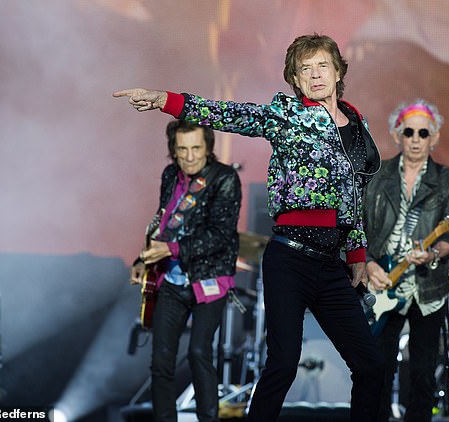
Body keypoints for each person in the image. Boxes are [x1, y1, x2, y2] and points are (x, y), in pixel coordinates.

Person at [115, 33, 384, 422]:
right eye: (304, 69)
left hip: (331, 264)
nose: (315, 75)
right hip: (289, 259)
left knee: (372, 365)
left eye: (322, 65)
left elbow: (355, 196)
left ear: (339, 70)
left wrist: (357, 256)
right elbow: (229, 113)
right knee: (283, 364)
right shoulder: (288, 115)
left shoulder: (357, 125)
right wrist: (165, 100)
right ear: (294, 78)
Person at [129, 120, 242, 422]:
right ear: (173, 152)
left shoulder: (224, 178)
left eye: (196, 149)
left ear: (208, 148)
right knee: (161, 361)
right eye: (182, 150)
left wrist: (173, 250)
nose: (190, 157)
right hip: (171, 278)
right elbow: (163, 222)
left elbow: (220, 234)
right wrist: (144, 261)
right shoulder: (170, 176)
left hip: (210, 278)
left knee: (198, 352)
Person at [363, 99, 449, 422]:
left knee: (421, 376)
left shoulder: (448, 180)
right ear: (398, 135)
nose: (416, 138)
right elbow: (358, 230)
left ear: (434, 138)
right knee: (378, 372)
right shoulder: (377, 178)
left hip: (427, 289)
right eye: (409, 131)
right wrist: (367, 264)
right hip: (383, 286)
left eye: (424, 132)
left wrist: (433, 253)